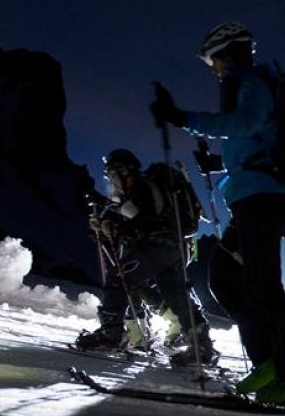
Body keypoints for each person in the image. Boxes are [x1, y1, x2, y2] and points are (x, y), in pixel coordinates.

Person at [149, 21, 285, 404]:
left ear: (225, 53)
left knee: (262, 287)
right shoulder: (246, 84)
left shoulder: (253, 81)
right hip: (251, 197)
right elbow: (254, 142)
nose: (212, 68)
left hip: (262, 200)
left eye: (212, 60)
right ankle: (268, 364)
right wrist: (217, 163)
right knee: (226, 280)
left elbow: (246, 123)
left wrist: (182, 117)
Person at [75, 149, 217, 367]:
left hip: (158, 246)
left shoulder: (141, 186)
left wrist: (117, 227)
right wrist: (112, 227)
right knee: (176, 296)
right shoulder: (146, 189)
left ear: (124, 171)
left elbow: (146, 219)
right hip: (175, 247)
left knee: (119, 278)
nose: (111, 179)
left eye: (112, 173)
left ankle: (110, 335)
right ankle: (202, 346)